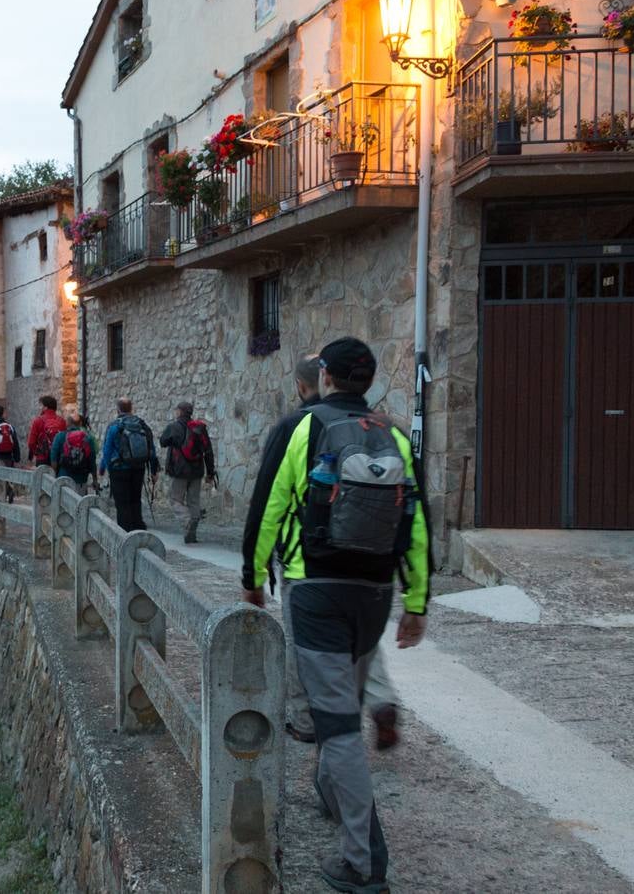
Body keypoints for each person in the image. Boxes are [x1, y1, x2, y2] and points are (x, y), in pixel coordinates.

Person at [241, 337, 431, 894]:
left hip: (315, 591)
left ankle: (363, 861)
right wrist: (415, 602)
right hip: (373, 595)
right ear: (367, 381)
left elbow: (269, 505)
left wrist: (253, 579)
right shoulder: (393, 433)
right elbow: (416, 523)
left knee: (338, 725)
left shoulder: (302, 427)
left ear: (324, 375)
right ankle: (334, 790)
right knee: (341, 710)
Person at [159, 401, 217, 544]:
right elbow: (208, 451)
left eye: (177, 410)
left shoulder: (174, 427)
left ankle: (187, 521)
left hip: (179, 470)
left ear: (180, 411)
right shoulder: (199, 428)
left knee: (175, 499)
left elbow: (162, 441)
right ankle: (191, 535)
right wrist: (210, 472)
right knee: (194, 501)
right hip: (197, 470)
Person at [98, 398, 158, 531]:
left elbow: (107, 450)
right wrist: (154, 470)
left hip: (118, 469)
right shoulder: (142, 425)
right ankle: (139, 528)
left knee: (122, 502)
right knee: (135, 499)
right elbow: (152, 449)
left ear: (118, 409)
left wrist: (103, 469)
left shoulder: (114, 426)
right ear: (131, 408)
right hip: (138, 467)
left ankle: (125, 532)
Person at [50, 412, 97, 494]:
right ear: (80, 423)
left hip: (63, 479)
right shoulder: (88, 438)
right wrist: (95, 480)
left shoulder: (60, 437)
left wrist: (54, 477)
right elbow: (92, 461)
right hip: (81, 480)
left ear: (67, 423)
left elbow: (53, 459)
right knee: (80, 504)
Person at [27, 395, 67, 467]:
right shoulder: (62, 421)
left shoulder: (38, 421)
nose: (40, 408)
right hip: (58, 458)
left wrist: (38, 453)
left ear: (45, 407)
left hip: (42, 458)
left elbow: (31, 443)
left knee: (41, 477)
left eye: (41, 406)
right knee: (57, 478)